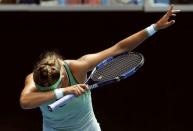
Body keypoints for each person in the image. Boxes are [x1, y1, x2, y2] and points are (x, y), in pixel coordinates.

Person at [20, 5, 179, 131]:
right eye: (43, 90)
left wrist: (154, 27)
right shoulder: (34, 78)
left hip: (88, 128)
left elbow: (119, 48)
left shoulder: (78, 67)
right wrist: (65, 91)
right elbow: (25, 102)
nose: (48, 92)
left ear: (62, 77)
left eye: (53, 88)